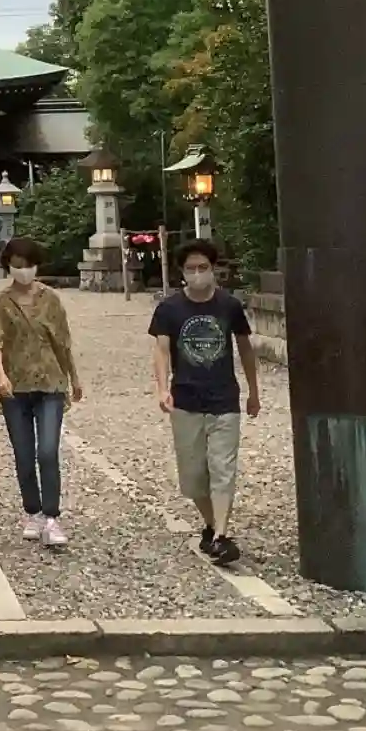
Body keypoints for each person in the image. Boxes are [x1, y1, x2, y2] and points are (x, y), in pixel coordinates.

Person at [149, 238, 260, 568]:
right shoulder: (169, 309)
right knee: (194, 475)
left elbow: (245, 348)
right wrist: (162, 388)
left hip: (224, 398)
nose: (197, 273)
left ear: (213, 269)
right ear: (182, 272)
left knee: (223, 469)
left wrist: (253, 391)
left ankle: (222, 536)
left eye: (203, 267)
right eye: (191, 268)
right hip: (186, 400)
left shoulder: (229, 306)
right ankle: (211, 525)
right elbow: (161, 350)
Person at [0, 236, 81, 548]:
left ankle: (52, 517)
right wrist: (0, 375)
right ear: (9, 266)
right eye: (17, 265)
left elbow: (63, 341)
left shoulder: (50, 299)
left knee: (47, 451)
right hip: (14, 386)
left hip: (51, 382)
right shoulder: (0, 302)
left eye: (28, 265)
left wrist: (74, 377)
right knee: (24, 454)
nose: (23, 270)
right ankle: (33, 512)